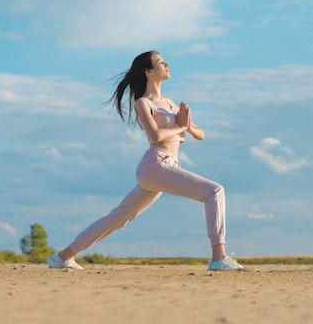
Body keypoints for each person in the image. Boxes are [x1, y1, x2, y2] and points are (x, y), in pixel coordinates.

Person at [46, 51, 243, 271]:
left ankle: (63, 257)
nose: (167, 64)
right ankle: (219, 257)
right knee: (214, 191)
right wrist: (181, 126)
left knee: (118, 217)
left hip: (167, 165)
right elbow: (156, 136)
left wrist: (187, 124)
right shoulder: (143, 103)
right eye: (160, 62)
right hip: (156, 164)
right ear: (148, 72)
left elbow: (201, 134)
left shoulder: (170, 102)